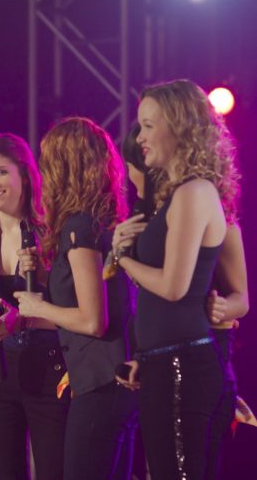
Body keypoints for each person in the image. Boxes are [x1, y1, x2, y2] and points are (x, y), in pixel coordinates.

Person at [117, 98, 247, 478]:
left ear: (179, 128)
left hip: (186, 364)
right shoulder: (170, 203)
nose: (141, 138)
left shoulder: (200, 195)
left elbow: (184, 290)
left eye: (147, 126)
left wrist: (121, 259)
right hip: (165, 362)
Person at [15, 117, 138, 479]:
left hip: (102, 384)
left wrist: (37, 305)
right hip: (110, 382)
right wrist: (40, 280)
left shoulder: (79, 228)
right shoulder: (94, 225)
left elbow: (92, 321)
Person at [0, 133, 69, 480]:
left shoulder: (53, 232)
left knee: (55, 471)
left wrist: (27, 316)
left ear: (24, 174)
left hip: (50, 372)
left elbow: (84, 317)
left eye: (1, 172)